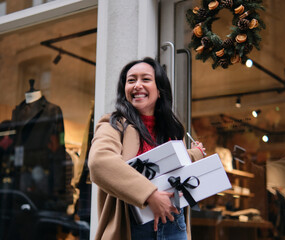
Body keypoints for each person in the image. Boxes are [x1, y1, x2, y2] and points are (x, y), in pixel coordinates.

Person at [88, 57, 205, 240]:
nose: (137, 85)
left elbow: (168, 169)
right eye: (131, 80)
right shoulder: (114, 124)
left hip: (175, 219)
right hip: (133, 226)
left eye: (146, 79)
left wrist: (195, 154)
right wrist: (150, 194)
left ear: (159, 90)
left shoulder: (172, 129)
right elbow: (99, 162)